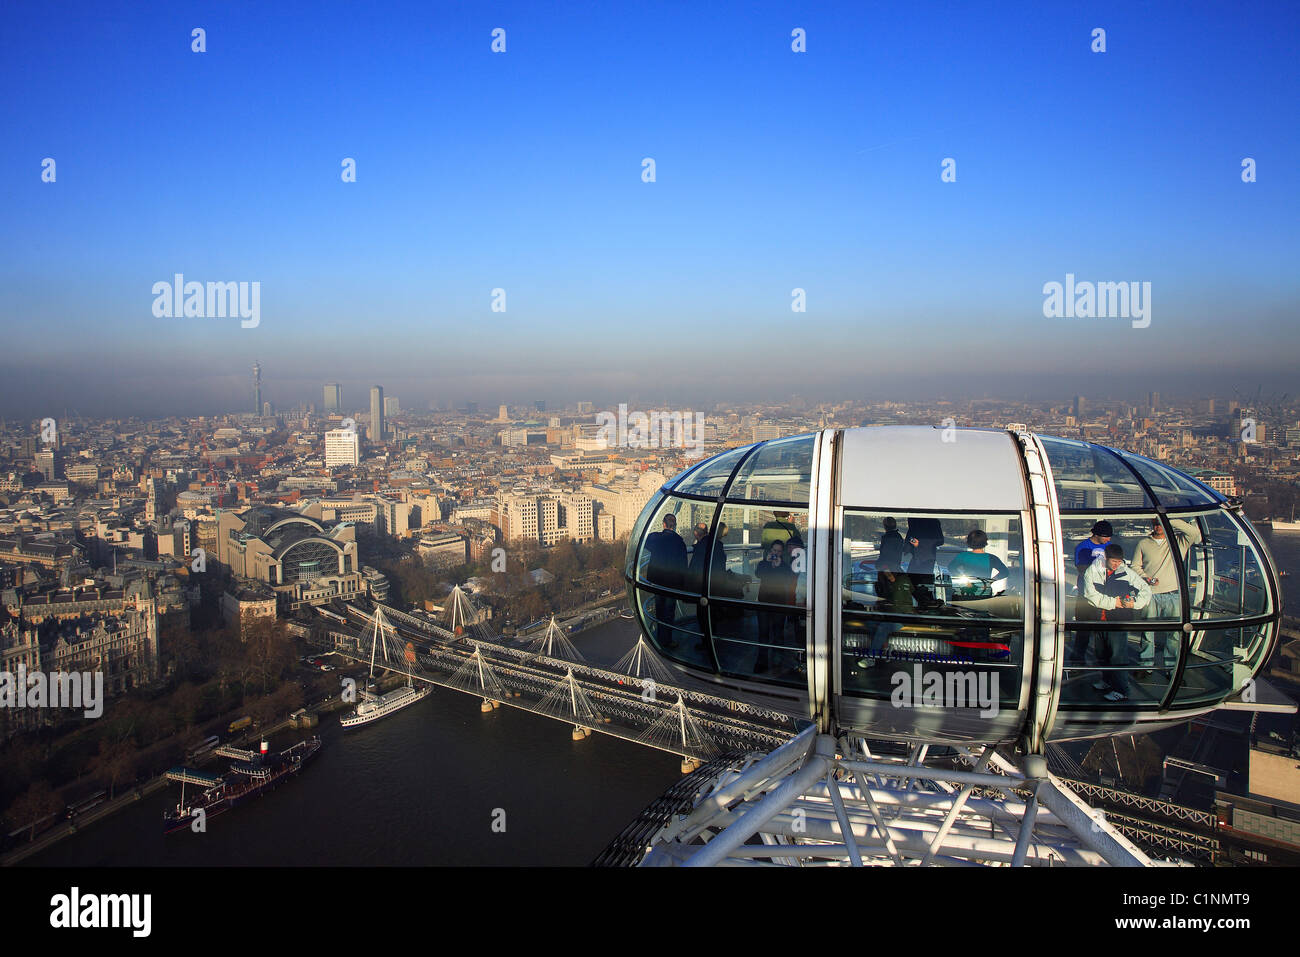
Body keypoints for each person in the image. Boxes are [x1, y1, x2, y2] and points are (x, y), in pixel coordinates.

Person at [1081, 543, 1152, 701]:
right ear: (1105, 558)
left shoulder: (1128, 573)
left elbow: (1146, 590)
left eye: (1119, 562)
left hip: (1118, 621)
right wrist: (1115, 603)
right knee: (1102, 653)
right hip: (1099, 620)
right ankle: (1106, 681)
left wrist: (1135, 604)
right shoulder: (1092, 572)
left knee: (1118, 657)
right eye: (1114, 561)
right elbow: (1090, 596)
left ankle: (1122, 690)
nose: (1117, 564)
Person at [1132, 518, 1201, 674]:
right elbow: (1135, 566)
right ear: (1151, 525)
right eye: (1156, 524)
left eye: (1161, 524)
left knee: (1175, 635)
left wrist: (1168, 520)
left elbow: (1194, 532)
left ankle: (1171, 669)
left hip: (1174, 594)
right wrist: (1145, 577)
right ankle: (1145, 667)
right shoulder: (1143, 543)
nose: (1158, 527)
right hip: (1150, 594)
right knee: (1147, 633)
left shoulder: (1178, 542)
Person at [1068, 520, 1113, 665]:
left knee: (1102, 632)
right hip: (1086, 595)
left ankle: (1103, 661)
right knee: (1084, 630)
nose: (1109, 539)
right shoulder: (1082, 547)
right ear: (1097, 534)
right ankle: (1078, 660)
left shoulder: (1109, 547)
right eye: (1106, 536)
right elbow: (1081, 569)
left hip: (1105, 594)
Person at [753, 540, 797, 673]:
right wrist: (767, 563)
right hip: (764, 602)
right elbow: (758, 574)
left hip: (779, 603)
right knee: (763, 633)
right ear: (770, 551)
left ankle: (778, 660)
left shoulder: (784, 566)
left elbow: (789, 579)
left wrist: (778, 567)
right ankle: (762, 661)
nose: (775, 554)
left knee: (778, 632)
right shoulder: (763, 563)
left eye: (778, 551)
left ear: (782, 553)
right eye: (773, 551)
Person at [643, 513, 687, 647]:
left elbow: (646, 543)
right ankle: (666, 640)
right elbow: (683, 565)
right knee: (669, 612)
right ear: (675, 526)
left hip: (657, 581)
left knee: (659, 609)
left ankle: (659, 637)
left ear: (664, 524)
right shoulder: (679, 542)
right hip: (672, 583)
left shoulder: (655, 538)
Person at [946, 529, 1010, 598]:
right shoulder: (992, 558)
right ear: (985, 542)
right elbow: (1005, 572)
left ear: (969, 542)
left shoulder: (963, 556)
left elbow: (951, 568)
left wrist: (962, 578)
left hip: (965, 590)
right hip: (985, 590)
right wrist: (991, 580)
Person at [903, 517, 944, 607]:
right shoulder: (933, 521)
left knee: (914, 583)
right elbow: (940, 540)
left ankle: (925, 604)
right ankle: (926, 604)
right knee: (922, 584)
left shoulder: (915, 520)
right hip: (926, 557)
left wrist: (918, 544)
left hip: (923, 558)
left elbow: (910, 537)